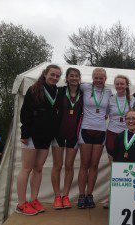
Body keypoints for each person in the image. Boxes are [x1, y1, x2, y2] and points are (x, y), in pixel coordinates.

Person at [16, 64, 61, 216]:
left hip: (46, 136)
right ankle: (21, 204)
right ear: (45, 74)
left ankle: (34, 199)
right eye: (52, 74)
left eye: (57, 76)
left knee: (39, 168)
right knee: (26, 168)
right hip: (32, 135)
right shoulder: (34, 89)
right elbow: (25, 112)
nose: (54, 78)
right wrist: (24, 133)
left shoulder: (57, 91)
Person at [78, 68, 112, 209]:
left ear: (105, 79)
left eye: (101, 78)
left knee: (94, 165)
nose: (99, 80)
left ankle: (89, 195)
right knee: (84, 164)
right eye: (96, 78)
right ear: (92, 77)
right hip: (85, 129)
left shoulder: (109, 92)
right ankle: (81, 195)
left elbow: (108, 111)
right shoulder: (84, 87)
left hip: (101, 131)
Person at [51, 68, 83, 209]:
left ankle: (66, 196)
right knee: (57, 166)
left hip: (74, 135)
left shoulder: (84, 92)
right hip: (58, 133)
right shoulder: (60, 91)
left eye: (76, 76)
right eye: (71, 76)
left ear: (79, 78)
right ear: (67, 78)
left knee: (69, 166)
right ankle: (57, 197)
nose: (74, 78)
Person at [106, 75, 135, 160]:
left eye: (122, 84)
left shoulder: (132, 99)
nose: (119, 86)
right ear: (114, 85)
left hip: (127, 133)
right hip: (112, 132)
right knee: (112, 160)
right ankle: (113, 174)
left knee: (126, 159)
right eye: (117, 84)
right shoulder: (110, 99)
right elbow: (105, 115)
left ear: (126, 85)